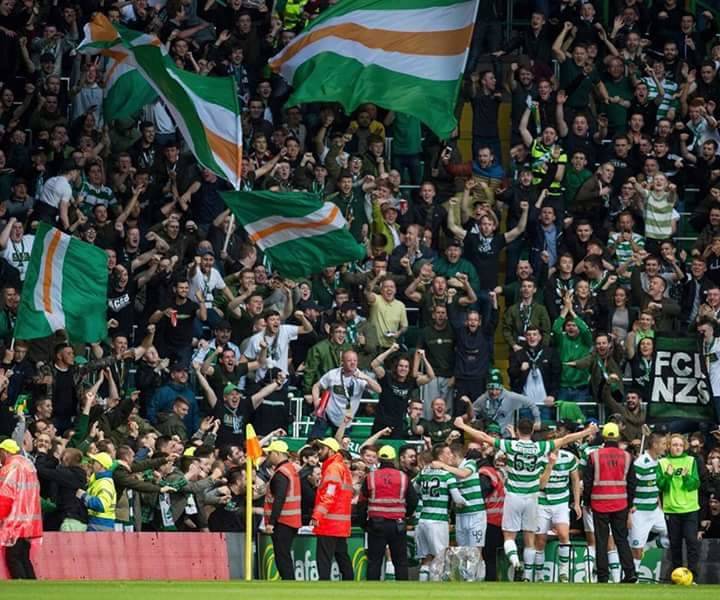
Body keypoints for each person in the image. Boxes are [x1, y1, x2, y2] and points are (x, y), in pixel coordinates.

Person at [453, 416, 597, 581]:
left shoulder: (510, 445)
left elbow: (484, 437)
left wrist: (463, 426)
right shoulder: (540, 447)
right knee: (530, 538)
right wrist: (587, 431)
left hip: (514, 495)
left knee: (509, 536)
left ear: (518, 430)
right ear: (533, 431)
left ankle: (515, 560)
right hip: (532, 497)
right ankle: (528, 576)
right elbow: (565, 439)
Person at [583, 423, 637, 584]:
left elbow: (588, 482)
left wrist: (586, 501)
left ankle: (603, 576)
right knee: (621, 539)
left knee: (601, 540)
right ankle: (630, 573)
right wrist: (629, 503)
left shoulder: (594, 456)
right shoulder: (627, 456)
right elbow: (632, 483)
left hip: (599, 503)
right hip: (620, 503)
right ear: (618, 436)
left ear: (604, 437)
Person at [358, 445, 418, 581]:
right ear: (394, 459)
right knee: (401, 562)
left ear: (379, 459)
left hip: (376, 524)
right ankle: (403, 594)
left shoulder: (371, 477)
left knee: (374, 562)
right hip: (398, 524)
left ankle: (372, 594)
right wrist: (405, 515)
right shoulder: (403, 477)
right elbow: (413, 500)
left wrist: (364, 524)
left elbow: (362, 503)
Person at [431, 443, 488, 581]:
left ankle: (478, 580)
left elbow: (464, 474)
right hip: (461, 515)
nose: (448, 457)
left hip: (476, 514)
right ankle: (465, 580)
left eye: (449, 455)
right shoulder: (450, 471)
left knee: (475, 550)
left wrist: (443, 466)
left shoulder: (470, 463)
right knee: (463, 550)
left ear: (454, 455)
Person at [534, 434, 581, 582]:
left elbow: (575, 480)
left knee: (563, 535)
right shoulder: (539, 458)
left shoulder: (569, 458)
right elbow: (541, 485)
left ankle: (564, 572)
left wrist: (577, 503)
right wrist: (550, 465)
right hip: (542, 501)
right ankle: (539, 575)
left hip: (561, 502)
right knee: (540, 540)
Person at [657, 433, 702, 581]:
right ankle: (677, 576)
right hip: (671, 509)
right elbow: (661, 485)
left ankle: (693, 576)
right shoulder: (663, 462)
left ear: (685, 447)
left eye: (681, 445)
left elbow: (695, 484)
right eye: (675, 445)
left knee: (691, 541)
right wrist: (668, 476)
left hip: (690, 508)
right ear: (669, 446)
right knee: (675, 544)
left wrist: (686, 477)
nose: (678, 448)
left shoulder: (690, 461)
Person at [311, 437, 354, 581]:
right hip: (340, 523)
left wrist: (317, 515)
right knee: (342, 556)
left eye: (322, 449)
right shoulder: (342, 468)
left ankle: (323, 586)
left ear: (330, 450)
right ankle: (351, 585)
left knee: (324, 558)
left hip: (329, 522)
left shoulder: (333, 468)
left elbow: (329, 495)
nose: (319, 452)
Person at [414, 443, 459, 581]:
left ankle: (422, 589)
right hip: (438, 520)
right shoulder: (447, 475)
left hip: (422, 520)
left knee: (426, 558)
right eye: (448, 453)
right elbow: (458, 498)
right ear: (440, 456)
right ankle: (436, 589)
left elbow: (413, 488)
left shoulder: (424, 473)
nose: (451, 455)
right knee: (440, 557)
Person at [0, 439, 42, 579]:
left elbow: (5, 498)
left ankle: (21, 587)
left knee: (13, 557)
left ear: (5, 452)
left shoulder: (9, 468)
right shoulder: (28, 466)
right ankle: (32, 588)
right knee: (24, 557)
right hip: (30, 521)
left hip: (15, 522)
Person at [630, 431, 670, 572]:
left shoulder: (660, 461)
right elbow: (630, 485)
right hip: (639, 511)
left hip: (654, 510)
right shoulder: (641, 462)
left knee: (672, 535)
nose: (666, 447)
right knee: (636, 551)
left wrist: (659, 505)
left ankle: (650, 546)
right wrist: (630, 507)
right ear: (655, 444)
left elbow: (655, 486)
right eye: (664, 444)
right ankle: (632, 579)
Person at [262, 440, 302, 581]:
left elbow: (279, 499)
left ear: (277, 454)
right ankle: (289, 581)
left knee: (282, 555)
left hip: (282, 521)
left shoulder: (281, 473)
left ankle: (288, 583)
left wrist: (271, 522)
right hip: (291, 520)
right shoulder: (291, 470)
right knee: (284, 554)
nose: (268, 456)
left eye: (270, 453)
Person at [77, 452, 117, 532]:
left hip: (100, 525)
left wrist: (83, 495)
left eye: (94, 462)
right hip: (98, 524)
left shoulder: (105, 483)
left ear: (101, 466)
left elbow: (101, 505)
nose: (92, 464)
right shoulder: (98, 481)